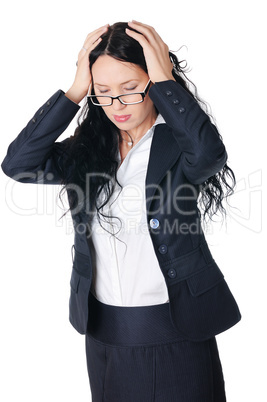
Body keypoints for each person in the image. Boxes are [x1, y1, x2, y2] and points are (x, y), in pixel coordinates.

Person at [2, 21, 241, 402]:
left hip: (173, 331)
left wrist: (166, 81)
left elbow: (210, 156)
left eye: (130, 90)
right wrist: (76, 90)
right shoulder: (89, 150)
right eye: (104, 93)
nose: (117, 106)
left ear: (153, 80)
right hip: (103, 334)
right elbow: (18, 164)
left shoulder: (178, 143)